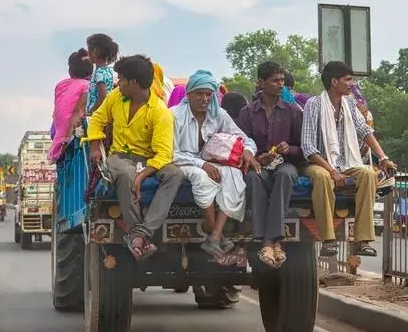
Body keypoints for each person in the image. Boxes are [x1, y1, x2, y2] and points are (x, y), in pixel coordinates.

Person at [87, 55, 183, 260]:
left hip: (148, 160)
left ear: (134, 83)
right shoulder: (115, 97)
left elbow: (164, 154)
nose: (118, 83)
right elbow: (97, 120)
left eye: (121, 79)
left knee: (175, 174)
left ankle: (141, 233)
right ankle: (136, 233)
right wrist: (95, 145)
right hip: (120, 157)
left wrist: (143, 175)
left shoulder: (160, 112)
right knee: (125, 173)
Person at [301, 61, 397, 258]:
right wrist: (332, 170)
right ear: (334, 81)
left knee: (368, 174)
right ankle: (328, 240)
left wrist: (383, 157)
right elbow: (308, 147)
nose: (351, 84)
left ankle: (362, 240)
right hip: (318, 163)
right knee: (321, 177)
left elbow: (365, 131)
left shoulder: (351, 105)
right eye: (348, 79)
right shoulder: (314, 104)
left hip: (346, 162)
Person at [172, 70, 258, 257]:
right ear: (189, 94)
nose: (204, 98)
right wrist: (201, 164)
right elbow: (170, 153)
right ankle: (215, 233)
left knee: (234, 175)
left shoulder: (218, 114)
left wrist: (247, 151)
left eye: (208, 94)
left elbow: (245, 139)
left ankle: (214, 236)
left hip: (209, 162)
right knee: (202, 177)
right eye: (199, 94)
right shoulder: (174, 115)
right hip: (182, 162)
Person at [237, 62, 303, 268]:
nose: (280, 85)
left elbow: (303, 148)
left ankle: (268, 242)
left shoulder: (293, 112)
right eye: (275, 80)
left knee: (284, 176)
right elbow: (240, 144)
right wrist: (256, 157)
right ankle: (270, 243)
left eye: (282, 80)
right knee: (252, 178)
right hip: (258, 165)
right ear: (261, 83)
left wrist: (289, 149)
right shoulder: (247, 113)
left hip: (285, 164)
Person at [48, 49, 94, 163]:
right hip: (70, 134)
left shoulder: (60, 85)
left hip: (56, 131)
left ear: (70, 70)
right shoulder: (87, 86)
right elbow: (80, 110)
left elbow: (59, 109)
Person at [85, 33, 119, 114]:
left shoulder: (99, 73)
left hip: (97, 115)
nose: (87, 53)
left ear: (94, 52)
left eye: (88, 50)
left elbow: (102, 96)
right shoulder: (107, 71)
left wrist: (91, 111)